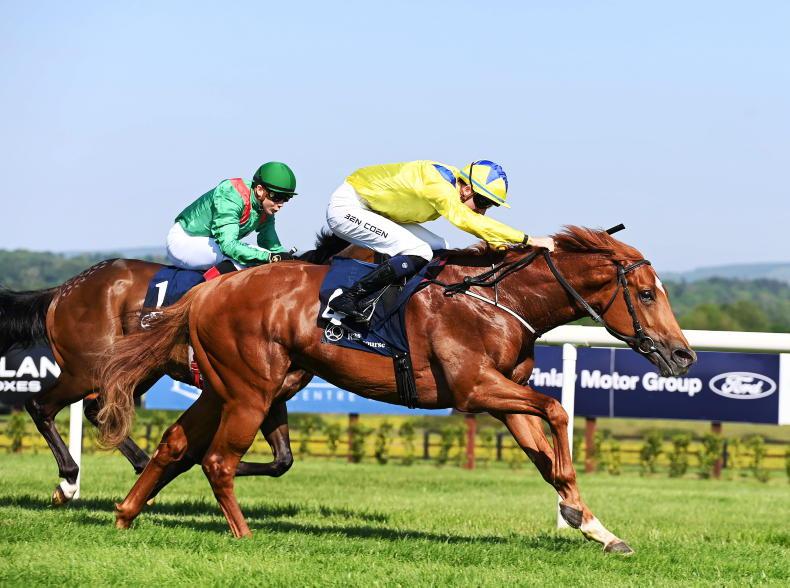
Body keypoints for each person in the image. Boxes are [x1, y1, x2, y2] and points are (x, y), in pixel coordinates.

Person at [325, 159, 555, 322]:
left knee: (438, 247)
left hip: (373, 209)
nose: (483, 211)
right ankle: (348, 298)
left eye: (489, 205)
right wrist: (528, 239)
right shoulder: (440, 188)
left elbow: (474, 221)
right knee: (419, 251)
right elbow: (467, 220)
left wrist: (494, 238)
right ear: (466, 189)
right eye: (483, 202)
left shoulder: (452, 185)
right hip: (349, 208)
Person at [166, 162, 297, 270]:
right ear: (259, 190)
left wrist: (289, 260)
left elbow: (271, 245)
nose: (281, 204)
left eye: (286, 198)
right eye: (277, 197)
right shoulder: (231, 194)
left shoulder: (264, 207)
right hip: (185, 240)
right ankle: (200, 292)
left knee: (260, 257)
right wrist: (270, 257)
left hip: (210, 243)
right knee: (242, 261)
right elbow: (228, 246)